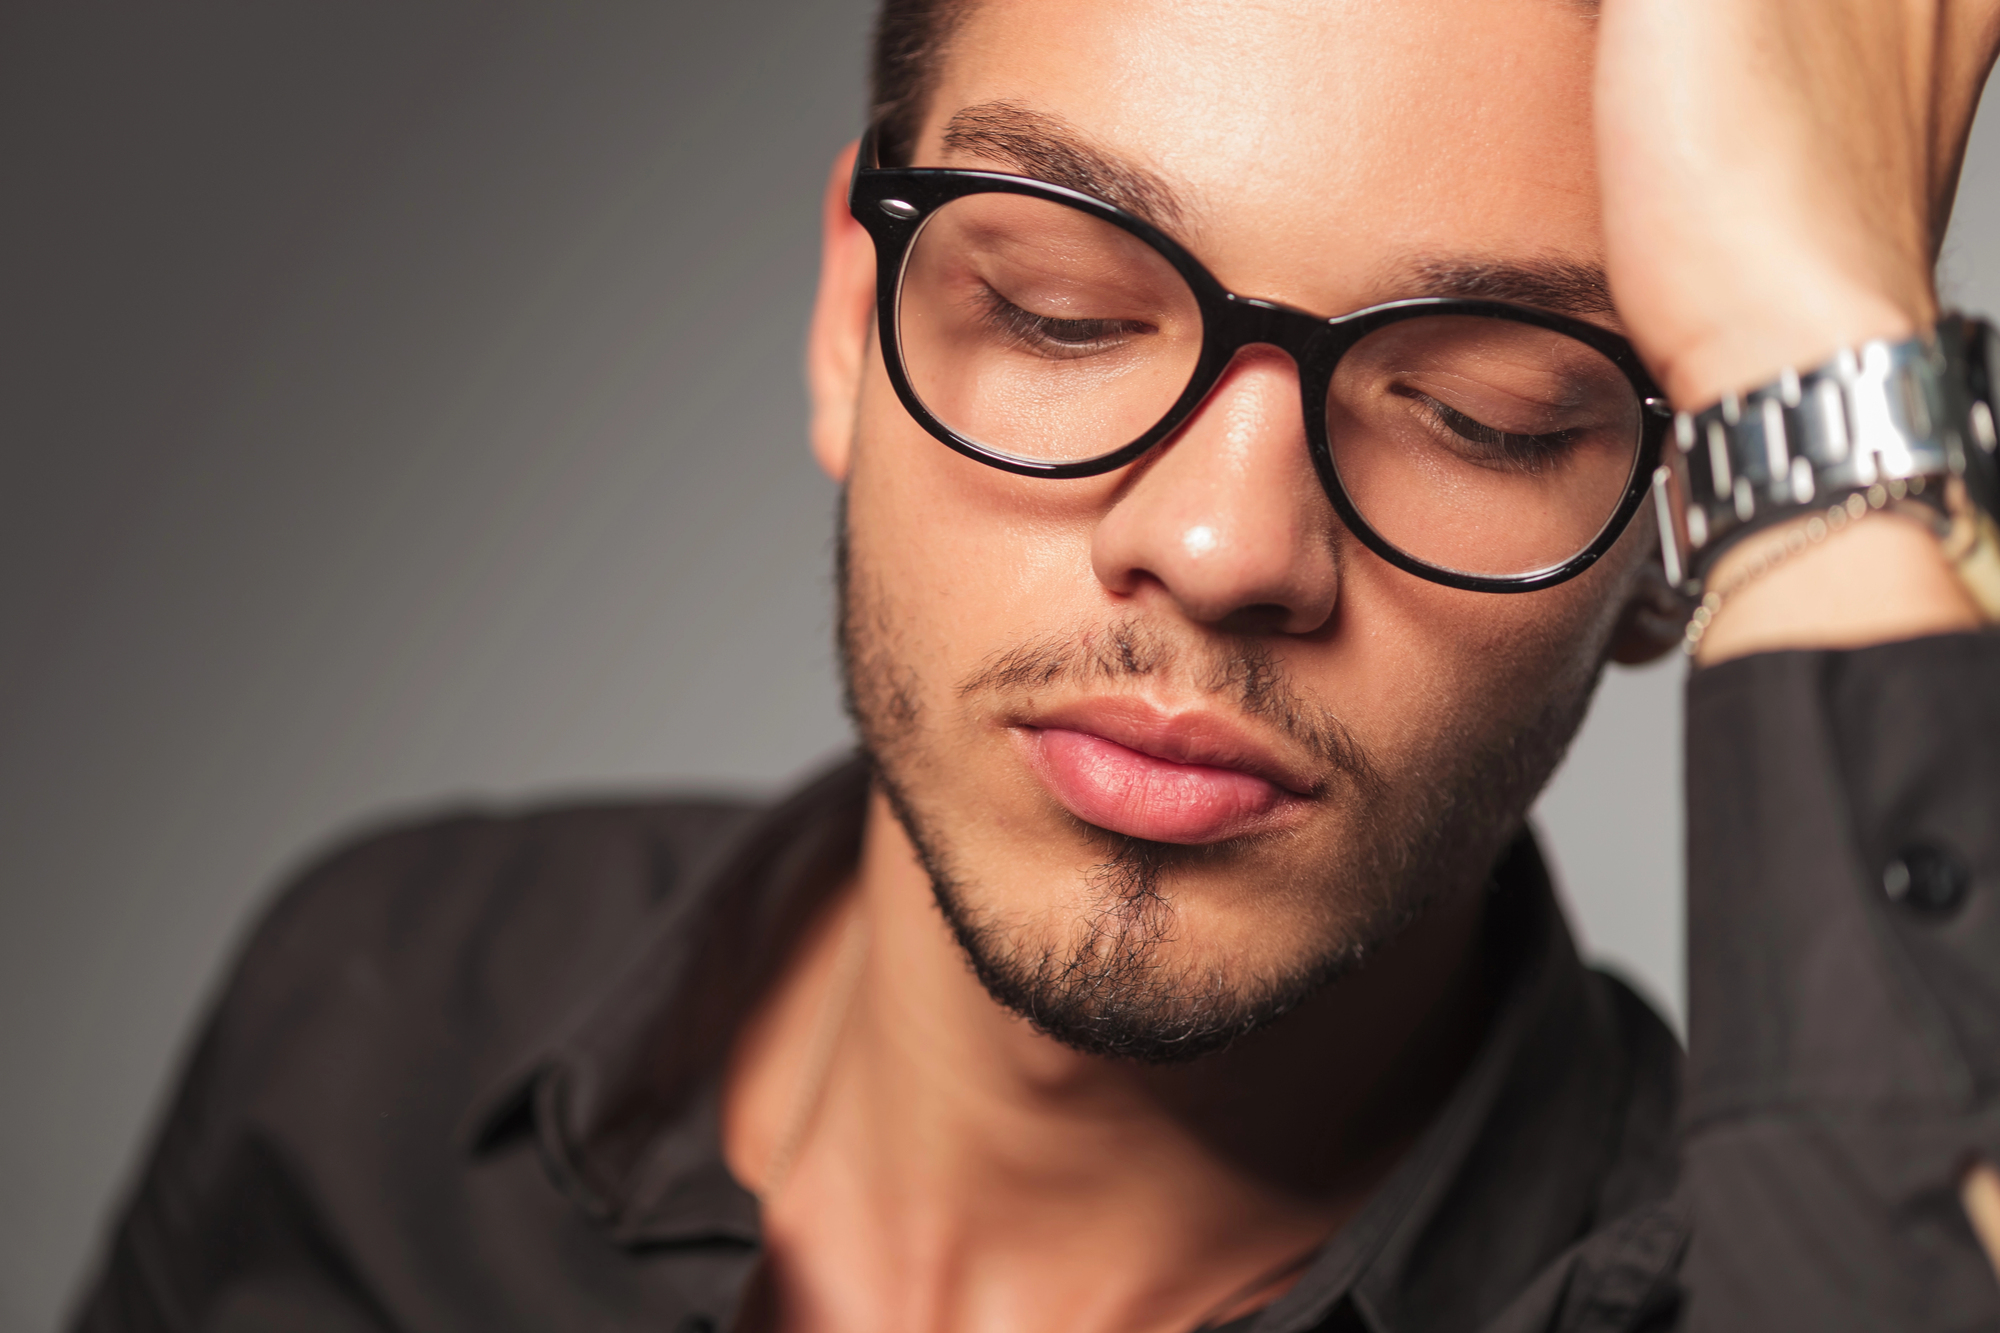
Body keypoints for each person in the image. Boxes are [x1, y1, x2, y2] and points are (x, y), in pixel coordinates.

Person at [72, 0, 2000, 1329]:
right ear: (854, 312)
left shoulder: (1787, 1271)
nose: (1226, 543)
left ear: (1684, 523)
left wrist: (1811, 346)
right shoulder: (369, 1014)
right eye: (1066, 311)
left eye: (1484, 414)